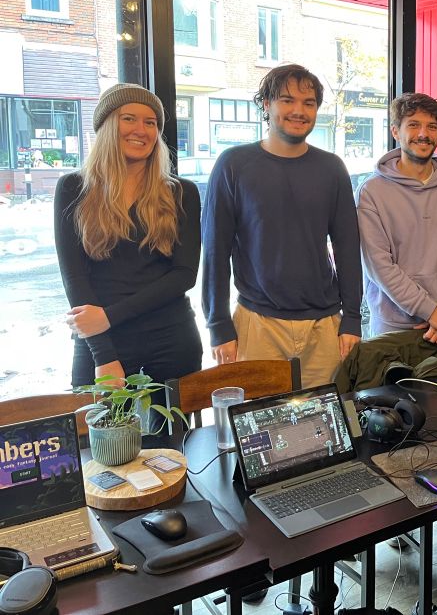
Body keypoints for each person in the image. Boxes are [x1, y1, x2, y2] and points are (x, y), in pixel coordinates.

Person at [202, 64, 362, 388]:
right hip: (257, 322)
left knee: (326, 428)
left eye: (309, 103)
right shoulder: (233, 165)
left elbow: (347, 247)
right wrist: (218, 324)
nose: (298, 111)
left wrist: (353, 319)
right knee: (259, 433)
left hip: (324, 324)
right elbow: (215, 250)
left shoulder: (332, 169)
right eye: (287, 100)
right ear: (266, 105)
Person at [55, 83, 202, 400]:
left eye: (151, 123)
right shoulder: (73, 189)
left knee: (172, 447)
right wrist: (103, 354)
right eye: (129, 119)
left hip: (171, 339)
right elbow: (74, 278)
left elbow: (184, 275)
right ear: (108, 125)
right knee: (103, 445)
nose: (142, 130)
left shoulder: (180, 193)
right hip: (102, 343)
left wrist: (107, 317)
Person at [357, 92, 437, 343]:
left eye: (431, 127)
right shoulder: (371, 192)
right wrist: (431, 310)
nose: (423, 134)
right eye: (413, 125)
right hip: (392, 330)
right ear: (395, 132)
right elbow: (379, 266)